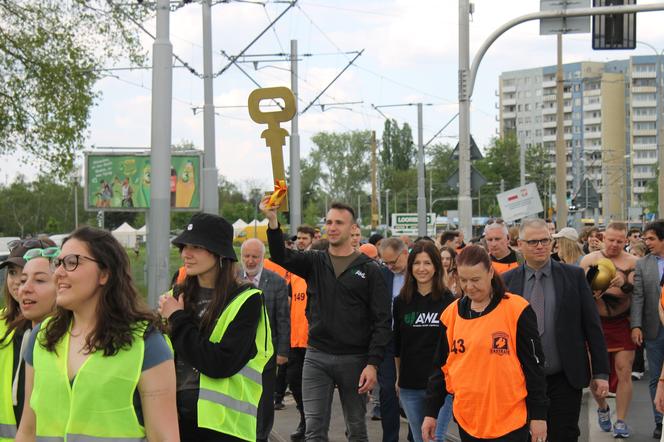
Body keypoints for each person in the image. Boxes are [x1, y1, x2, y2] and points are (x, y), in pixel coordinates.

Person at [17, 227, 177, 441]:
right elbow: (27, 431)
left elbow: (164, 437)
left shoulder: (147, 343)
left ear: (104, 273)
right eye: (58, 263)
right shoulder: (42, 337)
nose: (59, 273)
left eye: (72, 262)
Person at [262, 200, 391, 441]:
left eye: (338, 223)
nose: (332, 227)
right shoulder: (314, 261)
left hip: (355, 359)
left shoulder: (371, 270)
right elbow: (280, 255)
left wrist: (372, 364)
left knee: (356, 429)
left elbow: (382, 321)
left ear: (353, 229)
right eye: (329, 222)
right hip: (317, 356)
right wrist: (272, 220)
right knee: (314, 430)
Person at [160, 213, 273, 441]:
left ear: (219, 252)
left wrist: (178, 319)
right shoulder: (174, 297)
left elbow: (220, 363)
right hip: (173, 422)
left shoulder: (247, 300)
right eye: (184, 247)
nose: (185, 254)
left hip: (224, 428)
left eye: (196, 247)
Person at [422, 245, 548, 442]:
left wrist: (539, 416)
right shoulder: (451, 314)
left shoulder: (517, 310)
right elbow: (441, 368)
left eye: (475, 280)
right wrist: (431, 413)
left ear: (490, 272)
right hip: (468, 419)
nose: (469, 287)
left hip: (510, 420)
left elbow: (535, 367)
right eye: (463, 280)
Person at [503, 219, 609, 441]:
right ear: (520, 245)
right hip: (521, 380)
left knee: (564, 435)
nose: (540, 246)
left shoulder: (573, 276)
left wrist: (601, 373)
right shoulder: (507, 282)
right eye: (533, 242)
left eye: (545, 240)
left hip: (565, 377)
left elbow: (592, 326)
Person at [580, 221, 638, 438]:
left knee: (624, 371)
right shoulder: (589, 260)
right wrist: (591, 291)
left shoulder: (633, 261)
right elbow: (578, 292)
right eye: (611, 240)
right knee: (596, 374)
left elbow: (637, 293)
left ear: (626, 241)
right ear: (603, 238)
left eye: (619, 241)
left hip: (622, 322)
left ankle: (621, 420)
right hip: (595, 324)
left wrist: (637, 325)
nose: (614, 245)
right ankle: (603, 407)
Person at [394, 241, 455, 442]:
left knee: (434, 438)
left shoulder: (448, 300)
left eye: (427, 263)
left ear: (436, 266)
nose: (422, 268)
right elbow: (398, 344)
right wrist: (398, 377)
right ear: (410, 267)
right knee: (420, 438)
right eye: (417, 263)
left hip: (441, 386)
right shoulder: (401, 301)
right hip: (410, 385)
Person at [0, 239, 56, 439]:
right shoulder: (2, 323)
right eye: (13, 273)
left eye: (37, 279)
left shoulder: (67, 331)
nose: (18, 282)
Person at [240, 238, 290, 440]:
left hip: (267, 352)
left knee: (264, 399)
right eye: (247, 256)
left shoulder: (276, 281)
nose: (250, 261)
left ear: (262, 257)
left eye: (255, 257)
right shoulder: (231, 278)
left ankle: (261, 436)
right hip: (237, 351)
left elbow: (283, 318)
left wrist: (283, 352)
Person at [631, 220, 664, 439]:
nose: (646, 242)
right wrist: (636, 325)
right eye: (645, 238)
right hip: (654, 329)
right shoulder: (643, 264)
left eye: (651, 238)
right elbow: (638, 296)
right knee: (655, 377)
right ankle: (659, 421)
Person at [378, 237, 412, 440]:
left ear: (405, 253)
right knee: (387, 391)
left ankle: (414, 436)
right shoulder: (383, 274)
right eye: (386, 262)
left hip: (413, 341)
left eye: (394, 262)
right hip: (389, 340)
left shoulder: (420, 272)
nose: (390, 266)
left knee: (413, 392)